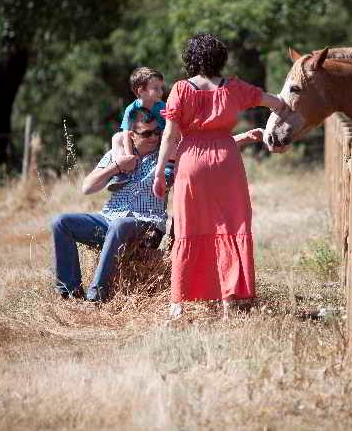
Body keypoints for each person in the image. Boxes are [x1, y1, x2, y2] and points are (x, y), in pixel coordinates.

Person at [153, 33, 288, 318]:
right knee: (230, 226)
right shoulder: (235, 88)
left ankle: (179, 303)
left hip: (191, 164)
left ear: (190, 59)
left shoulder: (181, 89)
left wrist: (159, 172)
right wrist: (281, 121)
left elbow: (169, 135)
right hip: (227, 163)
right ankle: (229, 298)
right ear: (220, 58)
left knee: (189, 229)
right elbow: (275, 102)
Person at [51, 112, 166, 302]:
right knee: (60, 222)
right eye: (147, 134)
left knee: (120, 224)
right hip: (109, 219)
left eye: (157, 132)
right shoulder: (116, 155)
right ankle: (70, 292)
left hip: (146, 223)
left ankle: (97, 295)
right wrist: (117, 167)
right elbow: (87, 187)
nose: (154, 137)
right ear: (131, 135)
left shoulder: (164, 156)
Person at [107, 67, 167, 192]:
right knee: (116, 137)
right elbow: (126, 134)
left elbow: (170, 130)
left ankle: (169, 169)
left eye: (161, 88)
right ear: (141, 91)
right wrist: (130, 157)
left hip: (159, 141)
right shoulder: (131, 109)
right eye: (156, 88)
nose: (161, 92)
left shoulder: (162, 107)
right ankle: (122, 171)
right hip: (139, 143)